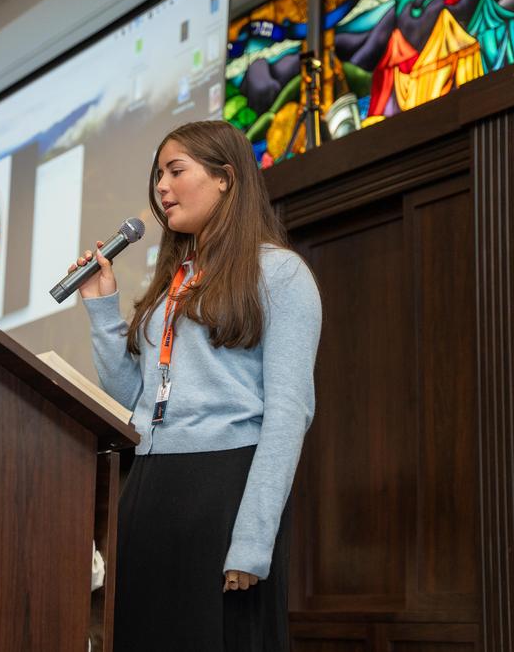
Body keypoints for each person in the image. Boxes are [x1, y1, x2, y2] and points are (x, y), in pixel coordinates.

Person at [68, 120, 322, 651]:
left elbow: (287, 413)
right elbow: (132, 400)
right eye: (158, 175)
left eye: (175, 171)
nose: (161, 187)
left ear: (225, 178)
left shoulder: (280, 274)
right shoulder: (173, 285)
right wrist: (102, 308)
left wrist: (252, 539)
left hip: (224, 486)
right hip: (148, 484)